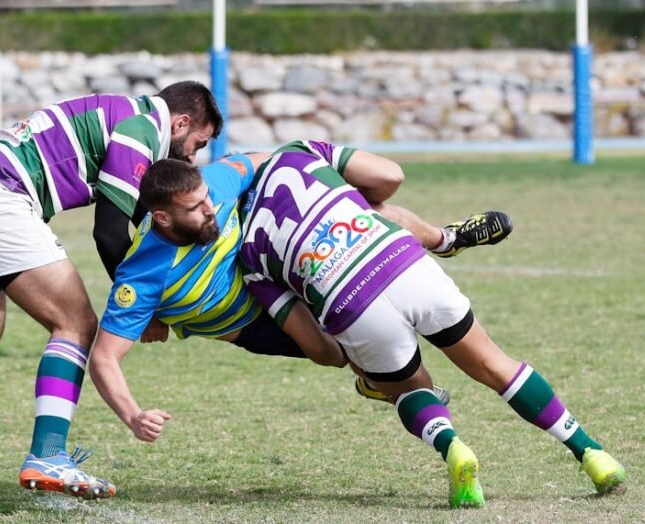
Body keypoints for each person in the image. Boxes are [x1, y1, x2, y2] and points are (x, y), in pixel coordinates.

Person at [195, 140, 622, 507]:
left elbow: (318, 348)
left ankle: (453, 448)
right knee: (495, 364)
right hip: (402, 261)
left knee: (411, 391)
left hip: (353, 307)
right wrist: (355, 200)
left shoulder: (248, 250)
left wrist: (359, 363)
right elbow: (390, 175)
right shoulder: (298, 154)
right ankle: (591, 453)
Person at [0, 81, 223, 504]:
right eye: (197, 143)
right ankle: (48, 455)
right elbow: (110, 233)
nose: (193, 155)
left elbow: (138, 217)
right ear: (181, 122)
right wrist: (142, 313)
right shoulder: (140, 129)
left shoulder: (122, 114)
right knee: (76, 324)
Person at [87, 144, 502, 442]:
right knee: (332, 353)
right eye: (195, 209)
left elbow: (260, 159)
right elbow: (104, 358)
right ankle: (377, 379)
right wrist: (133, 415)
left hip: (273, 257)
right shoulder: (142, 275)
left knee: (363, 212)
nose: (209, 208)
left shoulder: (211, 184)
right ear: (162, 218)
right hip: (251, 323)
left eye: (207, 199)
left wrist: (316, 175)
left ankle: (446, 239)